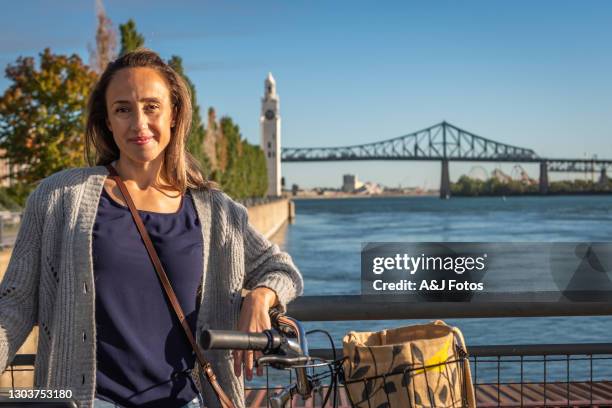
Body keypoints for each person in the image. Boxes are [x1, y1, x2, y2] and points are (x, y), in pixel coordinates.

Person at [0, 48, 303, 408]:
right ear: (107, 122)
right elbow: (14, 306)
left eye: (151, 107)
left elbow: (282, 269)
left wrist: (260, 296)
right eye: (123, 109)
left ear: (175, 114)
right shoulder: (60, 197)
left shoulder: (216, 211)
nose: (139, 123)